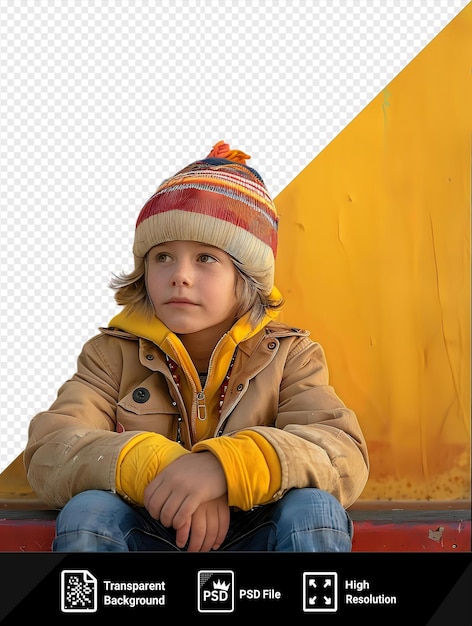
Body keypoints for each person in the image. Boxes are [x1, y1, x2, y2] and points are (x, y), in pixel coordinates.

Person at [23, 140, 369, 552]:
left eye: (206, 258)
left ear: (247, 278)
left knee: (315, 509)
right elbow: (50, 449)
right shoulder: (110, 354)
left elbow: (341, 454)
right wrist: (160, 467)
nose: (180, 276)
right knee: (89, 512)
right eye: (163, 257)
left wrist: (224, 469)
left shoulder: (290, 355)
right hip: (147, 523)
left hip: (255, 528)